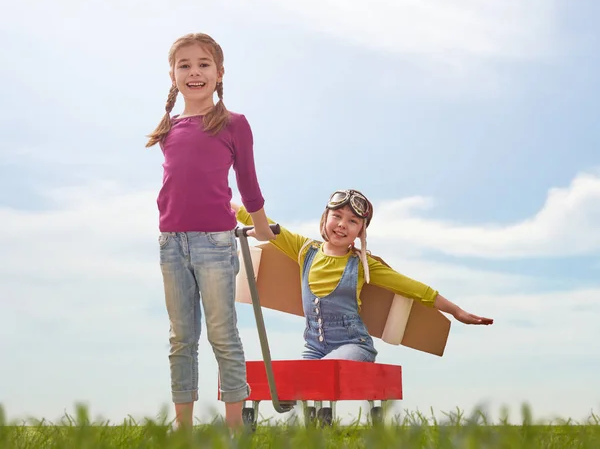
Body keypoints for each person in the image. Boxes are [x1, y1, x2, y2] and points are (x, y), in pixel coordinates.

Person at [146, 32, 276, 431]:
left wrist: (261, 228)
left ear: (219, 74)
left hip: (216, 245)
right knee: (181, 339)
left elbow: (249, 183)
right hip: (172, 244)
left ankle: (235, 426)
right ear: (172, 75)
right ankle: (182, 428)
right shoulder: (169, 127)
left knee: (223, 336)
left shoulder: (234, 124)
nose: (194, 72)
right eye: (184, 65)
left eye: (203, 65)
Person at [232, 189, 493, 362]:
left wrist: (456, 311)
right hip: (314, 347)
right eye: (337, 216)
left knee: (324, 372)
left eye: (353, 221)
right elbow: (257, 218)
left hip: (354, 345)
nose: (343, 224)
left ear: (361, 232)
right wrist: (216, 196)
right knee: (301, 383)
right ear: (325, 218)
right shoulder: (304, 249)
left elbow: (414, 288)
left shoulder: (363, 264)